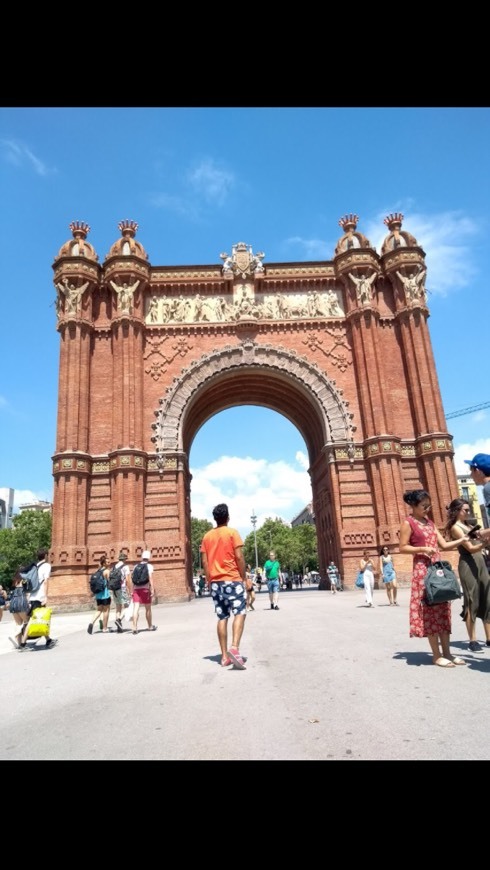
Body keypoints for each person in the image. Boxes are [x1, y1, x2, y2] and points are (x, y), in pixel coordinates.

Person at [399, 489, 468, 668]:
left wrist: (462, 540)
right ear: (413, 506)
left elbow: (443, 545)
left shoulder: (429, 523)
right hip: (423, 571)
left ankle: (447, 653)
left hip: (437, 568)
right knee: (430, 612)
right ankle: (436, 655)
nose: (427, 509)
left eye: (428, 506)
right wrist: (421, 549)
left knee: (443, 609)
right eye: (423, 506)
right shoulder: (409, 523)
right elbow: (403, 547)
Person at [200, 503, 248, 669]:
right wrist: (243, 577)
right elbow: (239, 557)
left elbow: (205, 562)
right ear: (228, 517)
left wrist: (208, 579)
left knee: (222, 617)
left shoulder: (207, 537)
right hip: (233, 580)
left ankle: (224, 657)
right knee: (240, 612)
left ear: (215, 518)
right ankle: (234, 647)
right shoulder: (232, 533)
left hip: (215, 582)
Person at [445, 498, 490, 652]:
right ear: (457, 511)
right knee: (472, 600)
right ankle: (473, 640)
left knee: (487, 598)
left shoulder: (468, 525)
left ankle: (489, 638)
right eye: (465, 510)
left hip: (481, 564)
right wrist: (484, 543)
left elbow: (480, 534)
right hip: (468, 565)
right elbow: (470, 548)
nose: (468, 512)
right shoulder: (456, 528)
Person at [19, 548, 58, 649]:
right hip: (40, 597)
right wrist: (45, 596)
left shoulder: (35, 566)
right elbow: (45, 582)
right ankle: (23, 643)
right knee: (35, 619)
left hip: (33, 596)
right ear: (45, 555)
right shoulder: (46, 566)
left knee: (38, 618)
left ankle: (48, 640)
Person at [465, 454, 490, 546]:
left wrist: (481, 533)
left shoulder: (488, 488)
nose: (471, 475)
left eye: (471, 471)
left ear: (478, 471)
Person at [131, 550, 157, 634]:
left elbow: (133, 579)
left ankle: (134, 627)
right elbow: (150, 578)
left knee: (136, 608)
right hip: (145, 589)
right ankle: (150, 626)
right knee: (148, 608)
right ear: (149, 557)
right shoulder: (149, 566)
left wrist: (132, 590)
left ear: (142, 557)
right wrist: (152, 589)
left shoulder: (135, 566)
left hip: (136, 589)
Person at [87, 555, 111, 634]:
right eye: (107, 562)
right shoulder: (106, 571)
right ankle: (105, 628)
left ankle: (91, 623)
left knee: (99, 610)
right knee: (106, 611)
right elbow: (110, 582)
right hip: (105, 594)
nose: (109, 563)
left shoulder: (97, 571)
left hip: (98, 595)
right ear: (104, 563)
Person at [8, 572, 30, 650]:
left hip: (13, 603)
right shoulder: (24, 581)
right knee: (27, 622)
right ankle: (23, 642)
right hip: (21, 602)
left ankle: (19, 643)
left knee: (18, 624)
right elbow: (27, 594)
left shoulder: (14, 582)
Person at [110, 551, 132, 633]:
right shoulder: (125, 567)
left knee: (118, 607)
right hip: (122, 588)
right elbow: (128, 580)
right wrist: (129, 590)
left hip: (115, 589)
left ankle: (119, 628)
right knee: (127, 606)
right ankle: (119, 620)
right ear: (125, 559)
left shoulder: (114, 567)